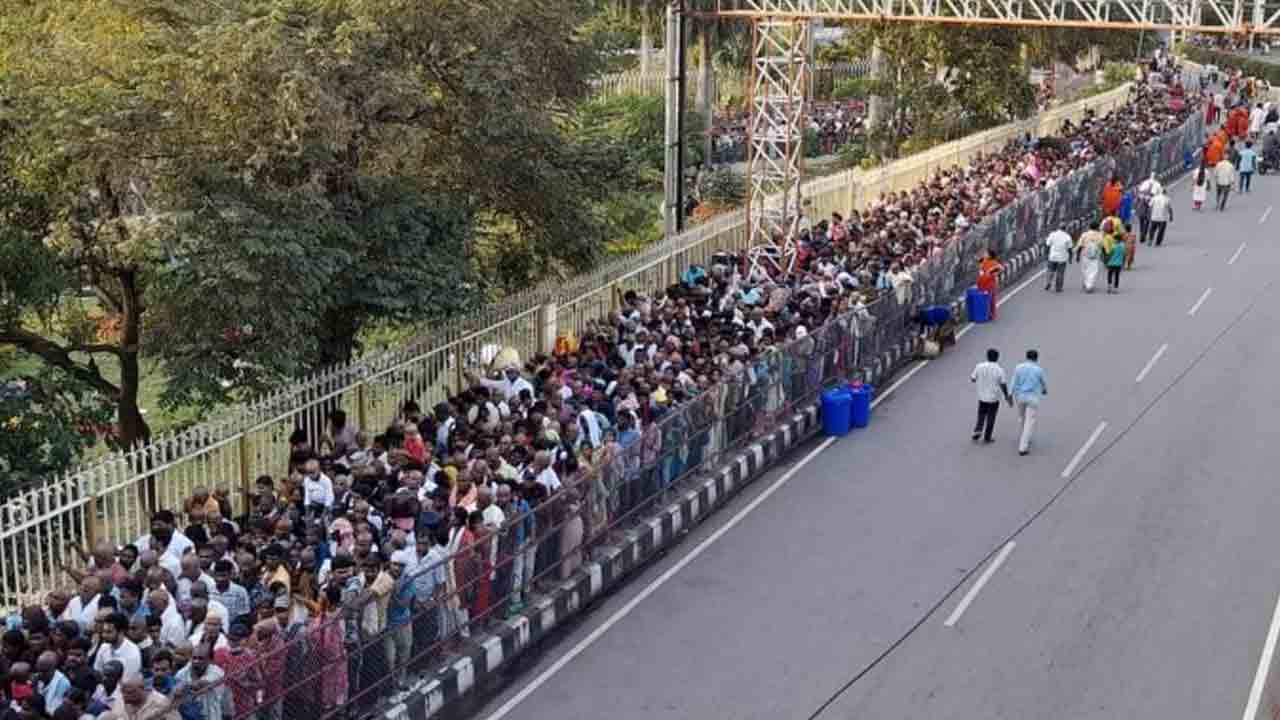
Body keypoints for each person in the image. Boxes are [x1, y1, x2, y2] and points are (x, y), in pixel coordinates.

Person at [1009, 350, 1048, 456]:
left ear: (1026, 357)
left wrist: (1010, 395)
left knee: (1022, 417)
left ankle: (1023, 436)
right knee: (1030, 422)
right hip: (1032, 398)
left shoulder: (1018, 367)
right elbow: (1043, 382)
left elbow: (1013, 382)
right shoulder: (1038, 370)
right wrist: (1045, 390)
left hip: (1020, 397)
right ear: (1036, 358)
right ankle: (1023, 447)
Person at [970, 348, 1010, 444]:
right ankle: (987, 436)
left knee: (981, 414)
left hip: (982, 396)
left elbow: (973, 378)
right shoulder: (1000, 370)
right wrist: (1006, 396)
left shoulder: (979, 366)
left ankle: (978, 430)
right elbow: (1003, 384)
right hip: (993, 398)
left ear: (987, 356)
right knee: (991, 416)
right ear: (997, 358)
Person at [1044, 226, 1073, 293]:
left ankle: (1048, 282)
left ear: (1058, 228)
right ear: (1065, 229)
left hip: (1052, 257)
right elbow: (1070, 249)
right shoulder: (1067, 237)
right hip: (1062, 258)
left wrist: (1046, 254)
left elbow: (1047, 245)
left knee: (1050, 270)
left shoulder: (1052, 234)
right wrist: (1070, 258)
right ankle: (1058, 288)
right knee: (1060, 273)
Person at [977, 250, 1004, 320]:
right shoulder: (983, 261)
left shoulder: (993, 262)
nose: (984, 254)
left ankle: (992, 315)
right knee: (984, 299)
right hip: (982, 283)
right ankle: (985, 313)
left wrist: (992, 272)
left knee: (991, 300)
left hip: (990, 284)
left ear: (989, 255)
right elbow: (980, 268)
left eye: (986, 253)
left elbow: (1001, 268)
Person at [1148, 183, 1173, 247]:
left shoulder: (1154, 198)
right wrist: (1171, 216)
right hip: (1162, 218)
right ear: (1165, 192)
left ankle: (1150, 240)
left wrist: (1149, 214)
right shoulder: (1167, 199)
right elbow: (1170, 209)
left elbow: (1150, 206)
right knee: (1161, 231)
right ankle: (1158, 242)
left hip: (1154, 217)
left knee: (1152, 229)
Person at [1106, 228, 1126, 294]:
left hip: (1111, 263)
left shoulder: (1113, 246)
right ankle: (1115, 288)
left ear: (1116, 240)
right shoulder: (1123, 246)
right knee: (1117, 276)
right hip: (1118, 264)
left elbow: (1110, 254)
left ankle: (1109, 287)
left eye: (1114, 239)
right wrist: (1123, 263)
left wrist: (1107, 260)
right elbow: (1124, 255)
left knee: (1110, 275)